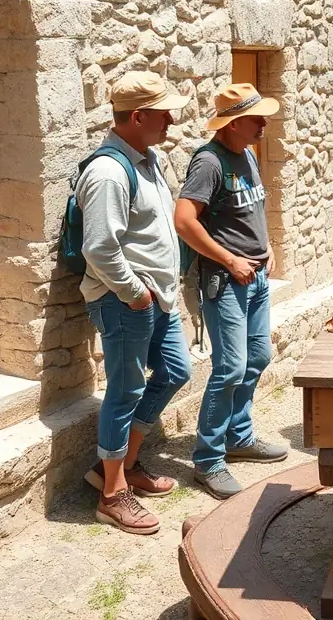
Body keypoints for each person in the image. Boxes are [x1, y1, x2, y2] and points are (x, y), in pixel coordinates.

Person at [78, 72, 193, 536]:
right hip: (125, 301)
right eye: (164, 112)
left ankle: (121, 466)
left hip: (153, 299)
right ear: (139, 116)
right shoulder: (108, 171)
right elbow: (100, 247)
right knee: (125, 391)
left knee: (175, 371)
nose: (172, 119)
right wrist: (134, 292)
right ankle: (111, 495)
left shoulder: (148, 159)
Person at [175, 82, 288, 500]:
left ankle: (238, 438)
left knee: (257, 356)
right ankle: (207, 460)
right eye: (257, 118)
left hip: (255, 277)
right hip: (227, 281)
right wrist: (230, 260)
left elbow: (252, 210)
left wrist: (267, 247)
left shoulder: (247, 156)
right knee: (231, 367)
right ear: (235, 122)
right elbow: (185, 221)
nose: (264, 124)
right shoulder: (209, 162)